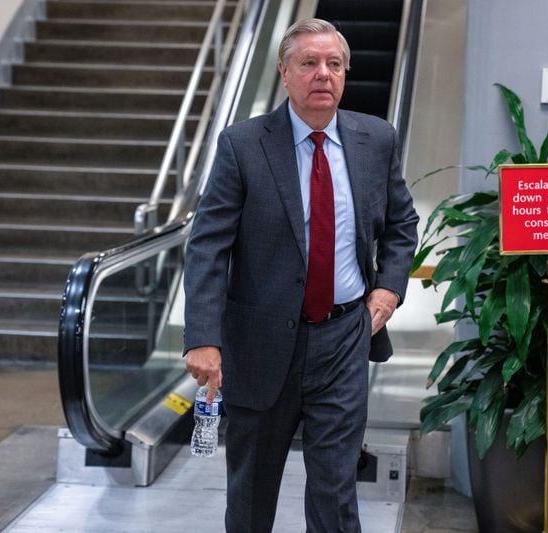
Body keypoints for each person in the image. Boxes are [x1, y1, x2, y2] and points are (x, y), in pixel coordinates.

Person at [183, 17, 419, 532]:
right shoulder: (243, 145)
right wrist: (203, 337)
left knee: (335, 490)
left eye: (334, 64)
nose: (323, 74)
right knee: (252, 491)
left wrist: (389, 287)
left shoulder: (374, 140)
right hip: (262, 342)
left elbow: (402, 222)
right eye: (309, 63)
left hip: (344, 337)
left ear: (345, 75)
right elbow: (207, 247)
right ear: (284, 73)